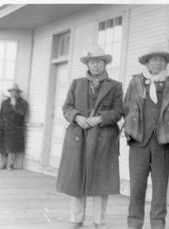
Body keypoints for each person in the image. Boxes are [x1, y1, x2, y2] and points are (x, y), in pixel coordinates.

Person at [56, 46, 123, 229]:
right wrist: (77, 117)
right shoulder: (77, 83)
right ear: (88, 64)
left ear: (105, 63)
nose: (95, 65)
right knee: (77, 177)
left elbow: (118, 112)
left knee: (101, 180)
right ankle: (76, 219)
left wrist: (99, 119)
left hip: (104, 138)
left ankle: (99, 221)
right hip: (79, 136)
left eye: (98, 61)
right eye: (91, 61)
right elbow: (66, 107)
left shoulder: (115, 86)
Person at [123, 43, 169, 229]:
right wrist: (130, 129)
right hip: (138, 141)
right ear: (147, 62)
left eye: (162, 60)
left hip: (163, 143)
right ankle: (134, 223)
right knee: (137, 187)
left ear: (166, 63)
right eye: (154, 59)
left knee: (160, 189)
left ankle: (158, 224)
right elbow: (126, 107)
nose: (158, 63)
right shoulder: (135, 82)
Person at [0, 83, 28, 170]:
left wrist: (14, 105)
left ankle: (10, 164)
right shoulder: (5, 102)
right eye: (11, 92)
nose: (13, 94)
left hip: (15, 129)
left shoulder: (23, 103)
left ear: (18, 93)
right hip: (4, 128)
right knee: (2, 147)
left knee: (11, 148)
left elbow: (22, 113)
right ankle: (3, 163)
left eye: (15, 92)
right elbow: (1, 115)